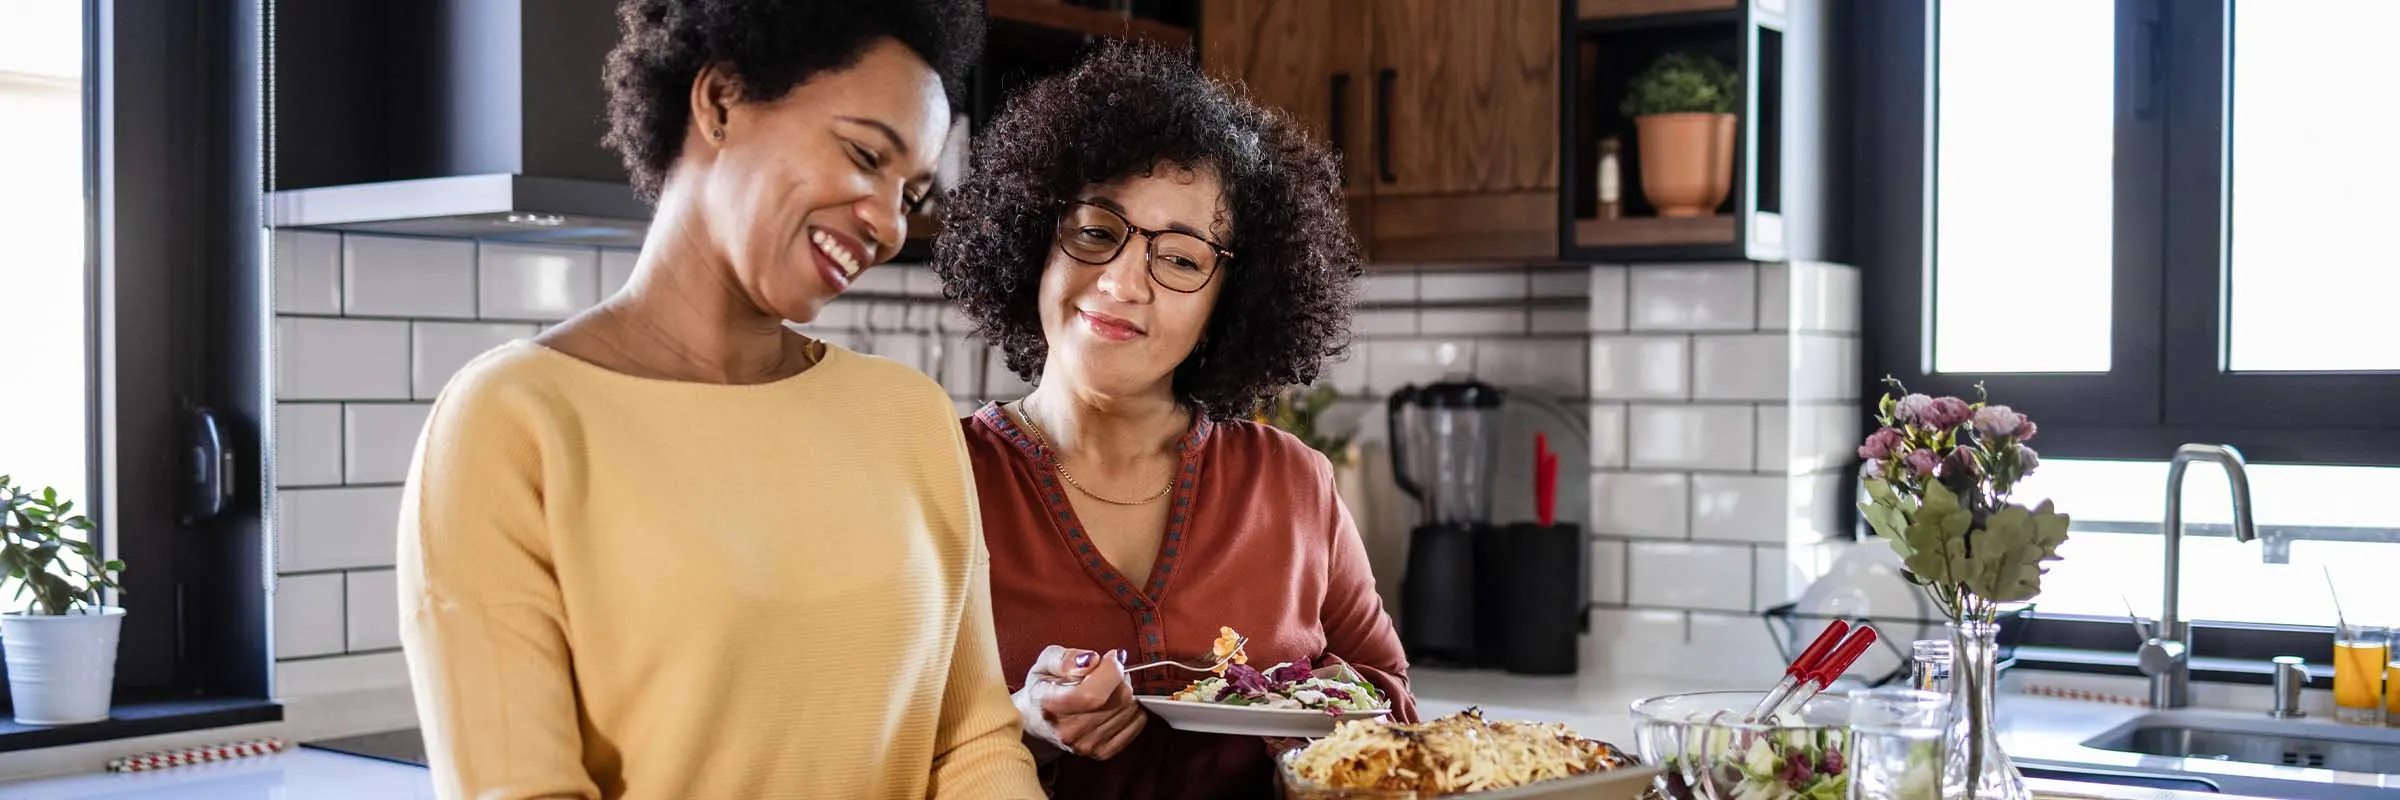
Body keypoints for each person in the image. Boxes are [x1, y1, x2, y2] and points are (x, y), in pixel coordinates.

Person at [395, 2, 1041, 798]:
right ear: (721, 100)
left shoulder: (910, 417)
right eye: (865, 154)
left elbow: (972, 743)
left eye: (910, 194)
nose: (886, 224)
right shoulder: (512, 421)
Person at [932, 40, 1415, 799]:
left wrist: (1319, 717)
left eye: (1182, 259)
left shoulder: (1295, 484)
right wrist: (1021, 725)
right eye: (1096, 231)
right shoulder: (939, 480)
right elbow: (878, 747)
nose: (1122, 282)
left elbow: (1394, 706)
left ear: (1232, 299)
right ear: (1035, 242)